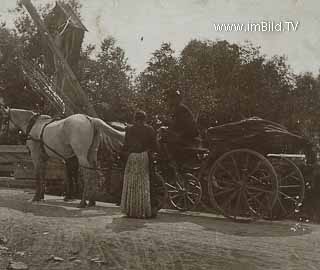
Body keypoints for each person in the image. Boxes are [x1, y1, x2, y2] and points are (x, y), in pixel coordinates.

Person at [120, 110, 158, 218]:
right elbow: (155, 146)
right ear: (145, 119)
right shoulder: (149, 130)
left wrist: (124, 154)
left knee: (132, 184)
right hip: (145, 159)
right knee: (146, 184)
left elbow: (125, 146)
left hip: (132, 159)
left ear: (134, 119)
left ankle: (132, 210)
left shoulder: (130, 130)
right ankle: (146, 210)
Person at [161, 90, 200, 163]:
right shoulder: (177, 108)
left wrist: (168, 127)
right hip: (185, 133)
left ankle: (173, 162)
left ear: (176, 99)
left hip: (188, 135)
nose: (169, 101)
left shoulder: (180, 109)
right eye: (169, 99)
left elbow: (178, 125)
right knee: (165, 136)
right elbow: (176, 124)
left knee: (166, 140)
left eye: (172, 98)